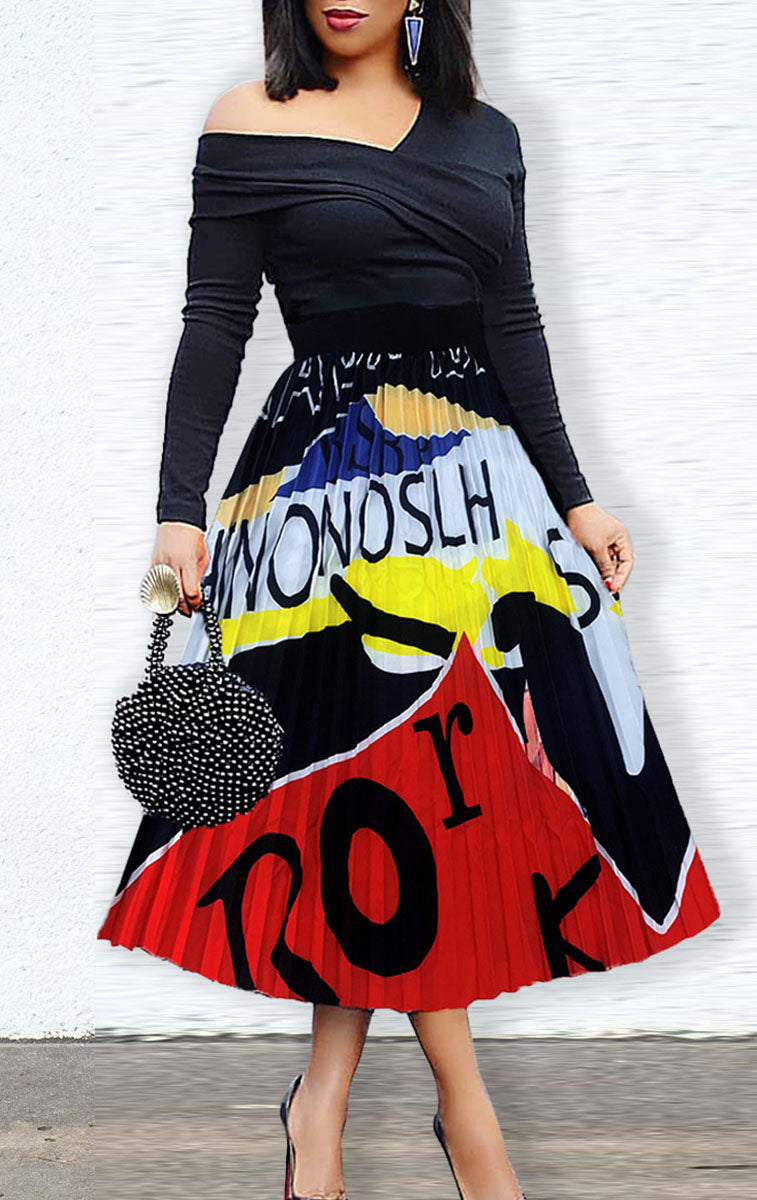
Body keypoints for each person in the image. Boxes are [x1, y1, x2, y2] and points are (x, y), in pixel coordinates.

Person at [98, 3, 721, 1197]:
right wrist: (178, 508)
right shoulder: (249, 122)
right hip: (322, 501)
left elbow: (512, 325)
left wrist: (575, 496)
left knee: (438, 792)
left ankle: (322, 1105)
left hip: (478, 500)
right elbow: (214, 323)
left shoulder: (487, 135)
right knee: (363, 785)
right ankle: (463, 1110)